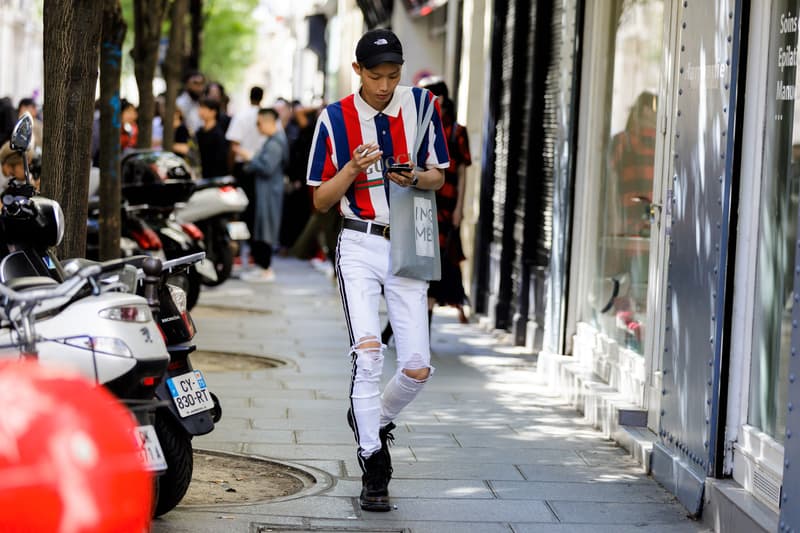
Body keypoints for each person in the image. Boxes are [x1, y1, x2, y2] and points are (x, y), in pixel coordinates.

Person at [306, 28, 449, 512]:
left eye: (393, 75)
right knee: (367, 354)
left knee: (417, 367)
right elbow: (321, 199)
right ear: (357, 71)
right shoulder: (333, 119)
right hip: (359, 243)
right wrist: (350, 169)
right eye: (375, 75)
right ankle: (373, 463)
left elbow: (440, 175)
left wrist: (416, 176)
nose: (385, 85)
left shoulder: (424, 107)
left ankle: (372, 417)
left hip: (407, 242)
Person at [234, 108, 288, 282]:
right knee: (263, 227)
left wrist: (250, 158)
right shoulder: (273, 140)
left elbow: (267, 167)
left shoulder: (275, 142)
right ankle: (261, 266)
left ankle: (265, 268)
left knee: (266, 228)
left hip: (269, 192)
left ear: (267, 122)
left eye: (258, 123)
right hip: (266, 191)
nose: (257, 127)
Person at [227, 86, 266, 265]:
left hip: (243, 169)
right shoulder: (267, 116)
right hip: (262, 168)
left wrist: (231, 169)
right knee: (256, 211)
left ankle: (237, 253)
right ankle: (252, 252)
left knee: (239, 211)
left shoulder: (241, 116)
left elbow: (233, 144)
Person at [194, 97, 229, 179]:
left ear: (213, 112)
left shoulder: (218, 134)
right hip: (202, 174)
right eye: (200, 107)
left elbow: (220, 160)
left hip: (215, 177)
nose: (201, 111)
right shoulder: (199, 132)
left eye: (204, 108)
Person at [176, 71, 206, 135]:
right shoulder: (179, 104)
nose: (199, 87)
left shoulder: (203, 103)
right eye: (195, 83)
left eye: (202, 83)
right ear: (187, 84)